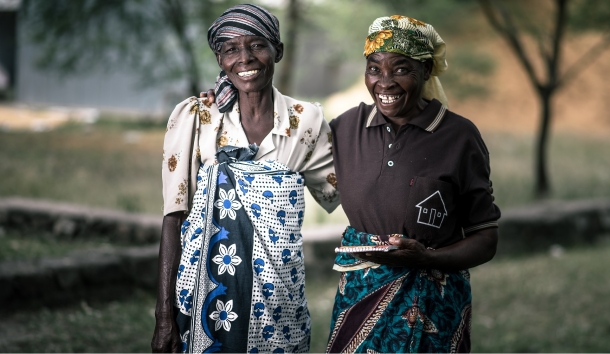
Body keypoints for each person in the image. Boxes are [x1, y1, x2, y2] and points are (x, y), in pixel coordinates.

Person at [151, 4, 339, 353]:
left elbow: (340, 192)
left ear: (277, 51)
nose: (245, 58)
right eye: (230, 49)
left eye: (257, 45)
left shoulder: (306, 121)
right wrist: (164, 317)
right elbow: (174, 217)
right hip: (207, 301)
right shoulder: (198, 118)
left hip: (281, 303)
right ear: (219, 60)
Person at [324, 15, 501, 353]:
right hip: (359, 299)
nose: (385, 82)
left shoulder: (458, 137)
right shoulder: (346, 129)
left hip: (434, 308)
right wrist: (222, 98)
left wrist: (426, 259)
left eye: (401, 69)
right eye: (374, 69)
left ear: (426, 71)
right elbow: (284, 131)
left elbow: (486, 238)